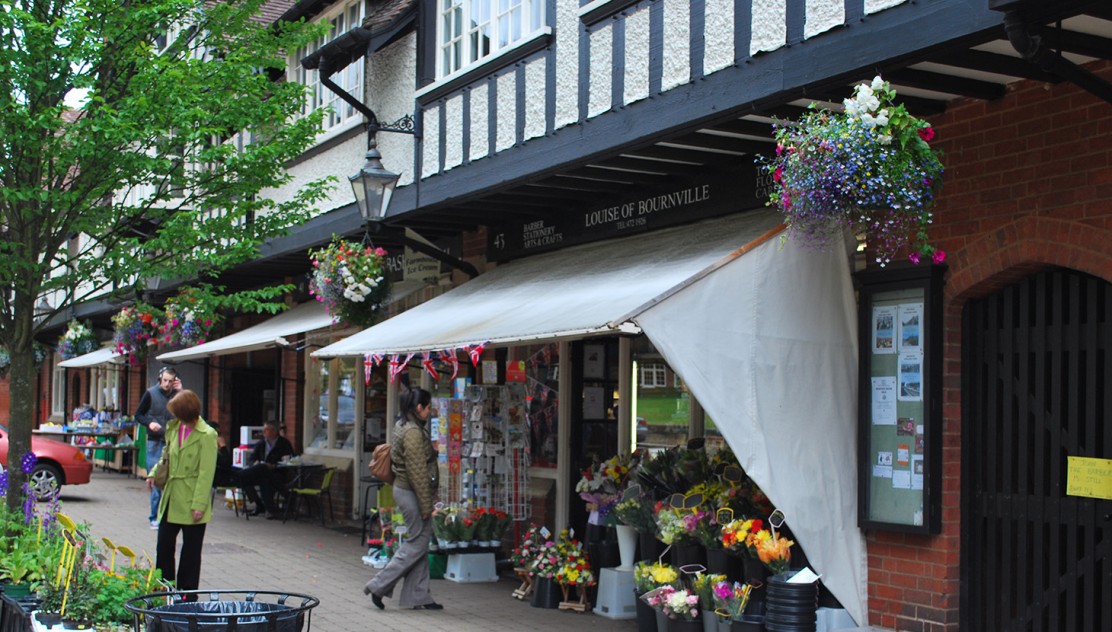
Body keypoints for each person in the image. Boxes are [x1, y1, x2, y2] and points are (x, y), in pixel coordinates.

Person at [363, 387, 442, 611]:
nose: (430, 411)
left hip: (406, 490)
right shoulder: (413, 433)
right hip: (412, 493)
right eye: (427, 407)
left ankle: (418, 597)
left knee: (419, 544)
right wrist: (427, 506)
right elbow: (417, 472)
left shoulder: (403, 425)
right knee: (416, 543)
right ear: (418, 408)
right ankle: (378, 586)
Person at [146, 389, 217, 596]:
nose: (174, 417)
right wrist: (152, 474)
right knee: (164, 544)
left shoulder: (207, 434)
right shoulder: (174, 428)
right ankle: (164, 590)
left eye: (177, 412)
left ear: (187, 412)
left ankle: (187, 594)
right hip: (171, 495)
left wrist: (199, 504)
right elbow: (165, 456)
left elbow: (206, 473)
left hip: (193, 497)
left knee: (191, 552)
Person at [135, 367, 182, 529]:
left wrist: (181, 391)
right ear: (159, 379)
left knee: (172, 478)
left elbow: (187, 411)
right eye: (165, 380)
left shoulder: (178, 394)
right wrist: (149, 423)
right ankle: (154, 517)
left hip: (172, 440)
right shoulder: (150, 393)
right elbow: (138, 415)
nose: (167, 384)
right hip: (155, 441)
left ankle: (168, 516)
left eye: (171, 381)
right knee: (155, 478)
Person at [236, 421, 294, 518]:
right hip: (261, 471)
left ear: (274, 431)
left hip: (277, 472)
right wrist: (255, 463)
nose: (264, 432)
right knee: (245, 479)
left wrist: (274, 465)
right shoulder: (261, 443)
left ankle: (271, 509)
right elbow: (252, 459)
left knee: (266, 481)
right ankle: (259, 504)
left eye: (266, 429)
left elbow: (289, 459)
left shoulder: (284, 443)